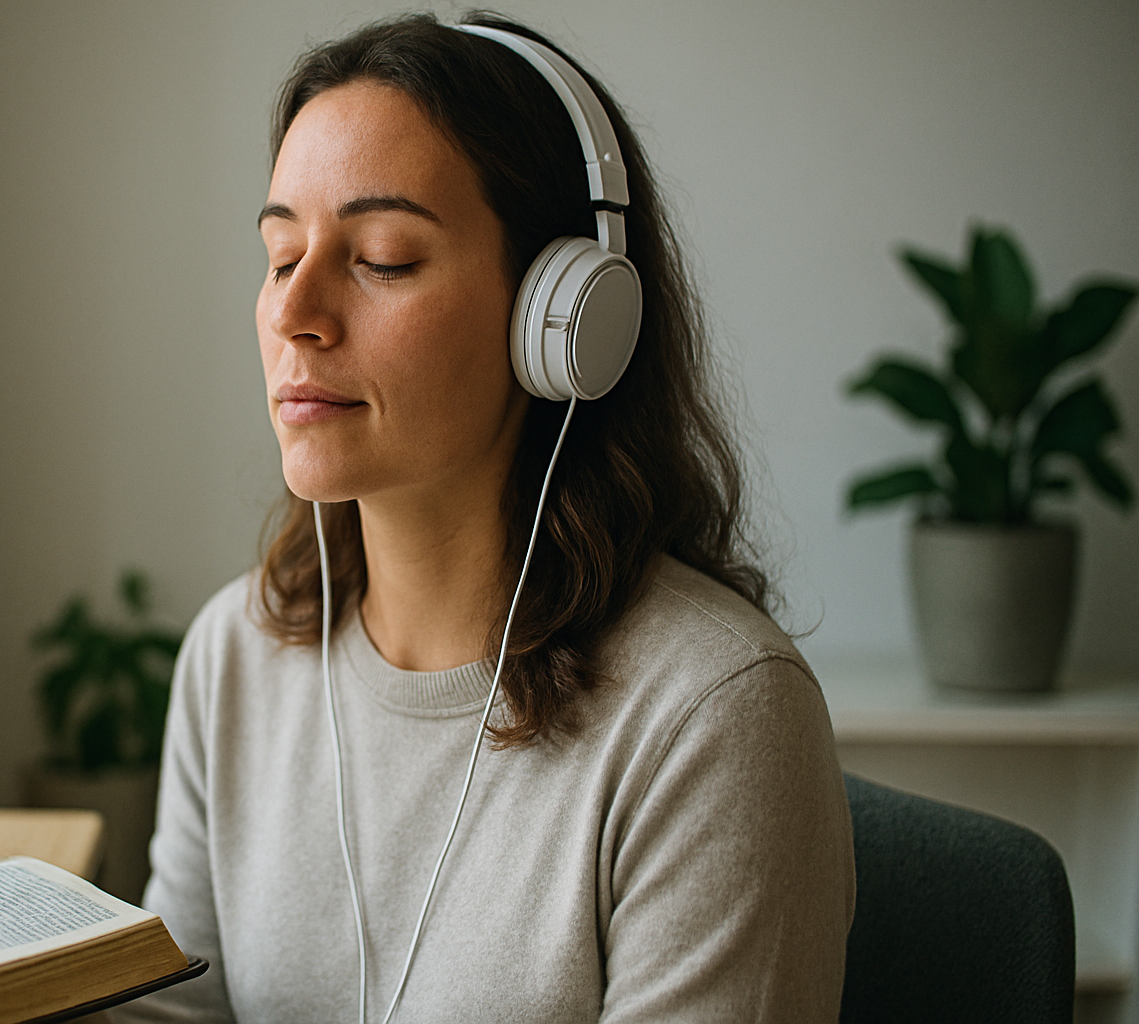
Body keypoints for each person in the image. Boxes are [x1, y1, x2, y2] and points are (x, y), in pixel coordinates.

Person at [112, 13, 853, 1024]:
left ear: (564, 316)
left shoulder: (712, 715)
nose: (293, 313)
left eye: (382, 258)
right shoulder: (233, 657)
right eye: (282, 256)